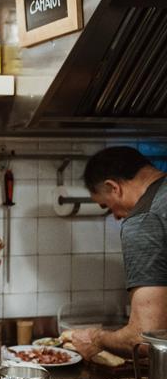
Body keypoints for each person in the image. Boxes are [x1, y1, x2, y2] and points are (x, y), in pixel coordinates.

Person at [70, 146, 167, 360]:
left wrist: (96, 338)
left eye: (106, 206)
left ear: (114, 187)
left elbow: (145, 339)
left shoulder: (144, 219)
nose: (114, 216)